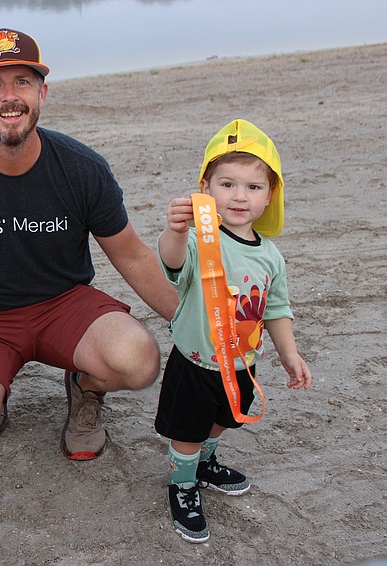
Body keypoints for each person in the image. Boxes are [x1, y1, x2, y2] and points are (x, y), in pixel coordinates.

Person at [0, 28, 178, 461]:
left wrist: (192, 322)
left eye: (22, 82)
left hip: (64, 305)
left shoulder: (81, 168)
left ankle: (84, 386)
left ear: (42, 93)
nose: (9, 97)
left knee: (139, 361)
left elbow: (131, 255)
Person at [154, 119, 312, 543]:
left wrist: (290, 353)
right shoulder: (198, 241)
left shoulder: (271, 256)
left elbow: (275, 308)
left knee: (224, 419)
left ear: (270, 196)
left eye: (253, 187)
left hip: (243, 362)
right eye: (228, 184)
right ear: (206, 188)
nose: (240, 196)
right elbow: (171, 263)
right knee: (187, 431)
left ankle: (205, 464)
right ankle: (182, 484)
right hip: (197, 362)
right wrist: (175, 231)